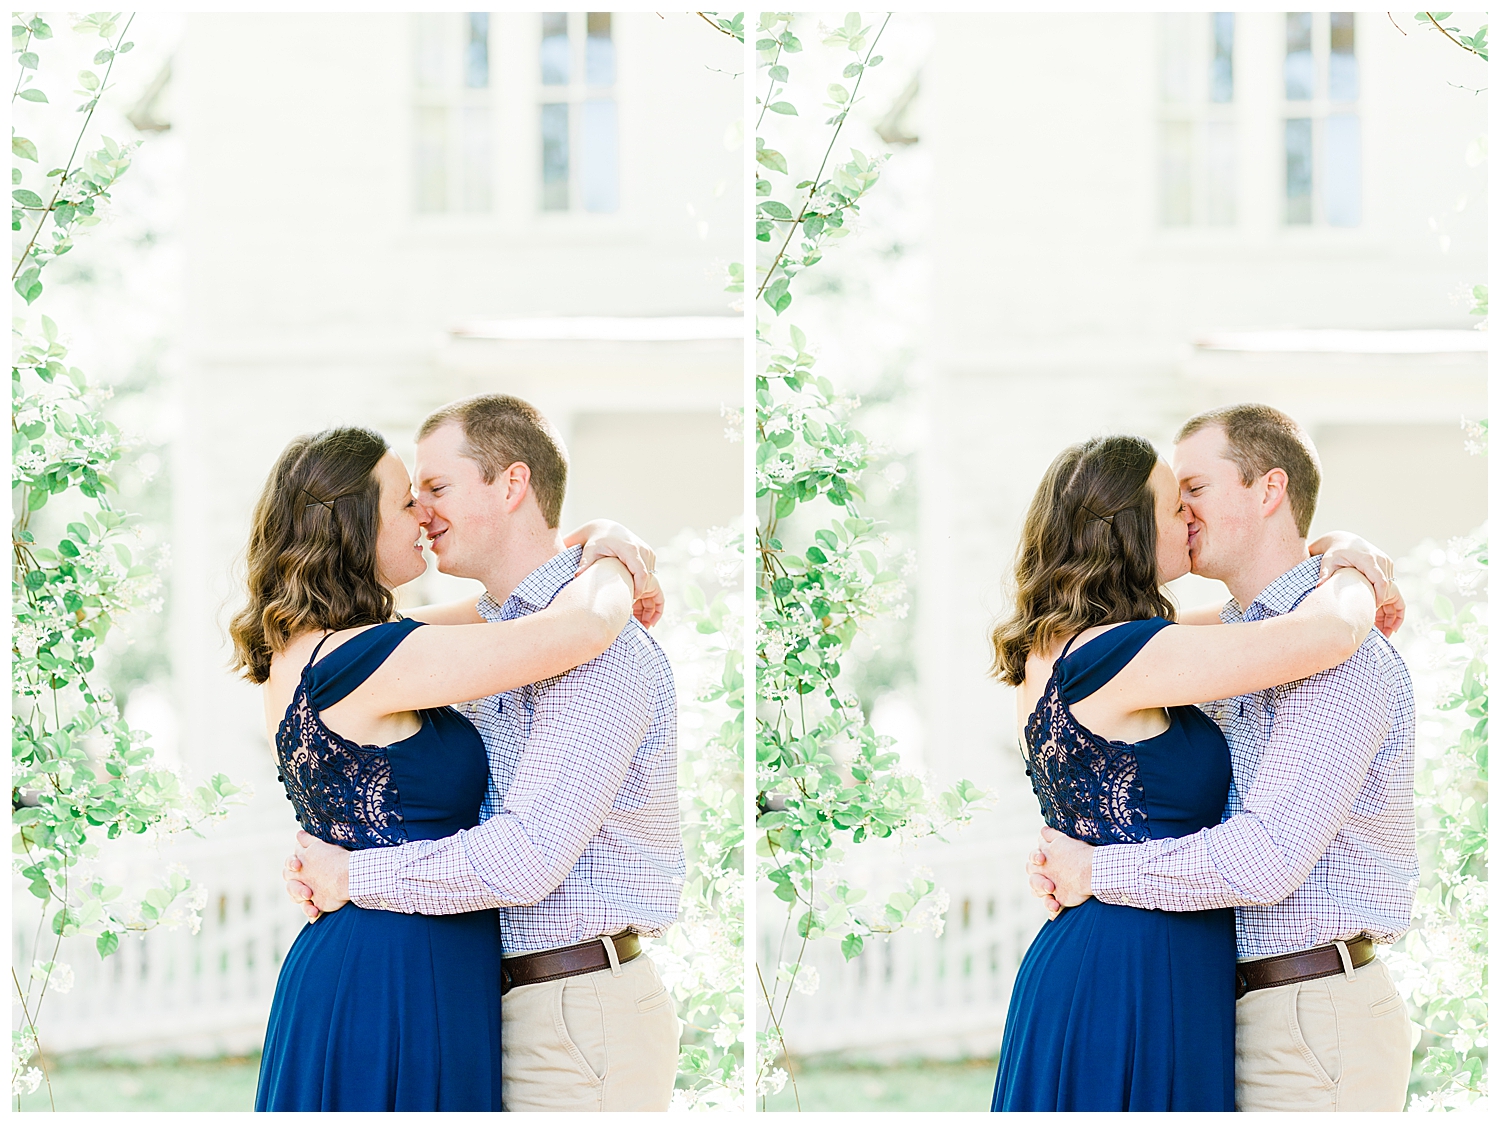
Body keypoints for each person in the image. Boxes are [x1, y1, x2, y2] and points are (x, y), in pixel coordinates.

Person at [230, 424, 659, 1111]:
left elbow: (508, 608)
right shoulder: (366, 658)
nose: (424, 516)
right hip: (397, 972)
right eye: (407, 501)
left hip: (380, 954)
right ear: (353, 525)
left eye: (432, 492)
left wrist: (604, 534)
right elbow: (574, 630)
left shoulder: (332, 649)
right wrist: (613, 567)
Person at [987, 425, 1403, 1112]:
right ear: (1126, 529)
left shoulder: (1074, 646)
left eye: (1194, 492)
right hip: (1135, 967)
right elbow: (1323, 633)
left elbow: (1256, 621)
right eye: (1173, 501)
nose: (1188, 515)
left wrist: (1335, 546)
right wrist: (1357, 572)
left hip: (1113, 952)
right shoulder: (1121, 654)